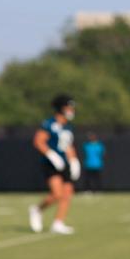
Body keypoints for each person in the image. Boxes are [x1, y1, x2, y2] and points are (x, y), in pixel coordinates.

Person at [29, 94, 78, 234]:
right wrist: (52, 155)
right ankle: (37, 209)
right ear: (61, 108)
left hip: (64, 163)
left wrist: (74, 160)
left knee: (67, 193)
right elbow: (38, 141)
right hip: (51, 163)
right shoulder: (49, 123)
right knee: (57, 194)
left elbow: (68, 146)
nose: (71, 110)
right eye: (69, 107)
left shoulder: (68, 127)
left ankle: (58, 222)